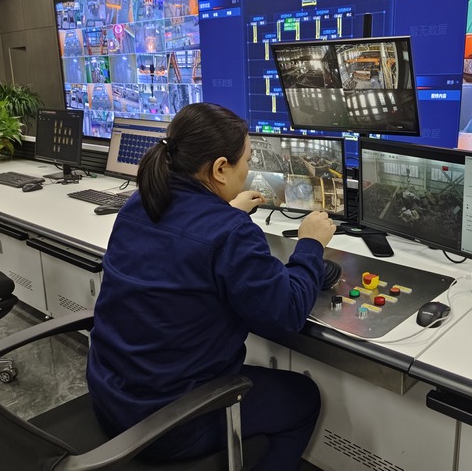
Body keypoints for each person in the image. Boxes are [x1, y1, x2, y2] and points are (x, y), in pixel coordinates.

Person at [86, 102, 336, 469]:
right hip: (168, 424)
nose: (248, 169)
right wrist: (310, 244)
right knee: (304, 397)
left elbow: (183, 243)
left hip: (111, 399)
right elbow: (287, 313)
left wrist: (226, 212)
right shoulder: (231, 234)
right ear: (220, 168)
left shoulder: (140, 203)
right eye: (247, 161)